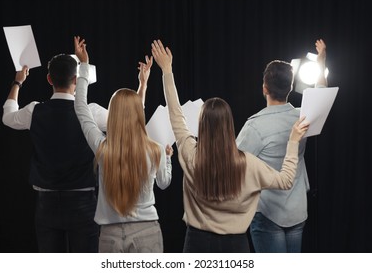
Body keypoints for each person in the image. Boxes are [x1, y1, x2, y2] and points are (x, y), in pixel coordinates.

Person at [151, 39, 310, 253]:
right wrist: (292, 142)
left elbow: (176, 116)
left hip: (196, 243)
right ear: (229, 126)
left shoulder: (191, 154)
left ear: (201, 126)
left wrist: (167, 71)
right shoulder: (248, 164)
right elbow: (286, 180)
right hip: (236, 246)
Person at [73, 36, 173, 253]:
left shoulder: (103, 148)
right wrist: (167, 158)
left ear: (113, 116)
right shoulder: (154, 149)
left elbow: (80, 108)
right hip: (148, 231)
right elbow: (164, 184)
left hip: (110, 235)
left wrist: (84, 66)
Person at [2, 53, 107, 252]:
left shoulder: (34, 111)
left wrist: (18, 81)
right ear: (76, 79)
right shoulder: (91, 112)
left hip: (46, 204)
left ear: (49, 79)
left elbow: (7, 117)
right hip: (83, 202)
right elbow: (126, 120)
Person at [235, 39, 328, 253]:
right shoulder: (304, 116)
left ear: (264, 88)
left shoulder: (254, 126)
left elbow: (233, 164)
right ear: (291, 87)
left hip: (267, 212)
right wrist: (321, 61)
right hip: (296, 210)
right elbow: (321, 93)